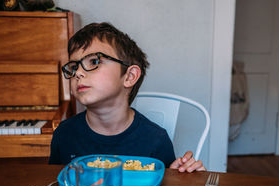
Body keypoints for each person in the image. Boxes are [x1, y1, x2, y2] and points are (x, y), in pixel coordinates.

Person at [49, 22, 205, 172]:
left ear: (130, 76)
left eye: (94, 61)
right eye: (73, 67)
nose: (78, 73)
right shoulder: (63, 135)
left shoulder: (156, 140)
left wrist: (180, 178)